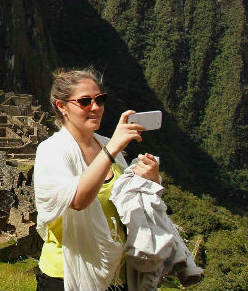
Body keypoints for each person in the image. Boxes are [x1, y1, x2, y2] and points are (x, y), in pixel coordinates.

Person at [33, 68, 160, 291]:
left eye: (99, 99)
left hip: (117, 274)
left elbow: (126, 205)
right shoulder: (51, 151)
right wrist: (111, 150)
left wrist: (150, 180)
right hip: (66, 276)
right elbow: (77, 200)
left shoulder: (105, 145)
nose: (95, 107)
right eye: (84, 101)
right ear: (61, 106)